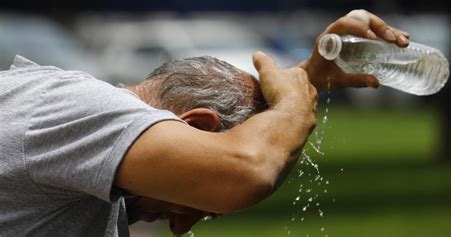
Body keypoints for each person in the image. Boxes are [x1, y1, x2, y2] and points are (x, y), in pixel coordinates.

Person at [0, 9, 409, 236]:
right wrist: (293, 103)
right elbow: (245, 172)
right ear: (196, 126)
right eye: (200, 204)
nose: (181, 227)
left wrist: (307, 79)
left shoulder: (79, 140)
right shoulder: (83, 110)